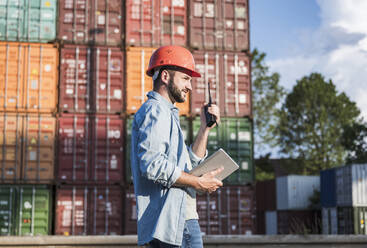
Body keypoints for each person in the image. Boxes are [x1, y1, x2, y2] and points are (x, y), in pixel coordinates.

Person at [130, 45, 223, 247]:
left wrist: (205, 129)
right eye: (185, 78)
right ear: (165, 76)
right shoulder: (156, 111)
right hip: (176, 222)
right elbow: (152, 164)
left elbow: (189, 165)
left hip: (172, 222)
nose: (190, 86)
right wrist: (198, 183)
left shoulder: (166, 113)